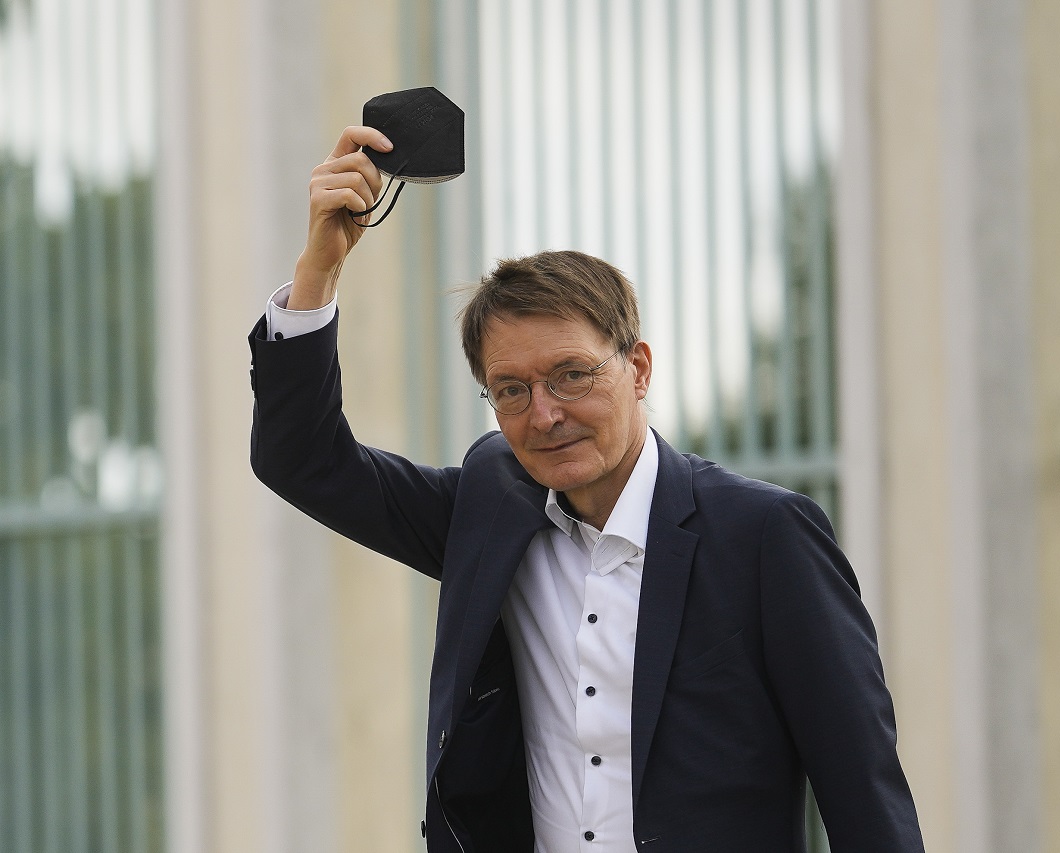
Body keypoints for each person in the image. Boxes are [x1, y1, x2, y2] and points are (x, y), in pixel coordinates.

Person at [248, 126, 924, 853]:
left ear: (638, 368)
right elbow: (303, 460)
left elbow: (863, 790)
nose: (545, 414)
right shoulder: (488, 511)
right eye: (511, 389)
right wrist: (319, 269)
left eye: (572, 374)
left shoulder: (764, 535)